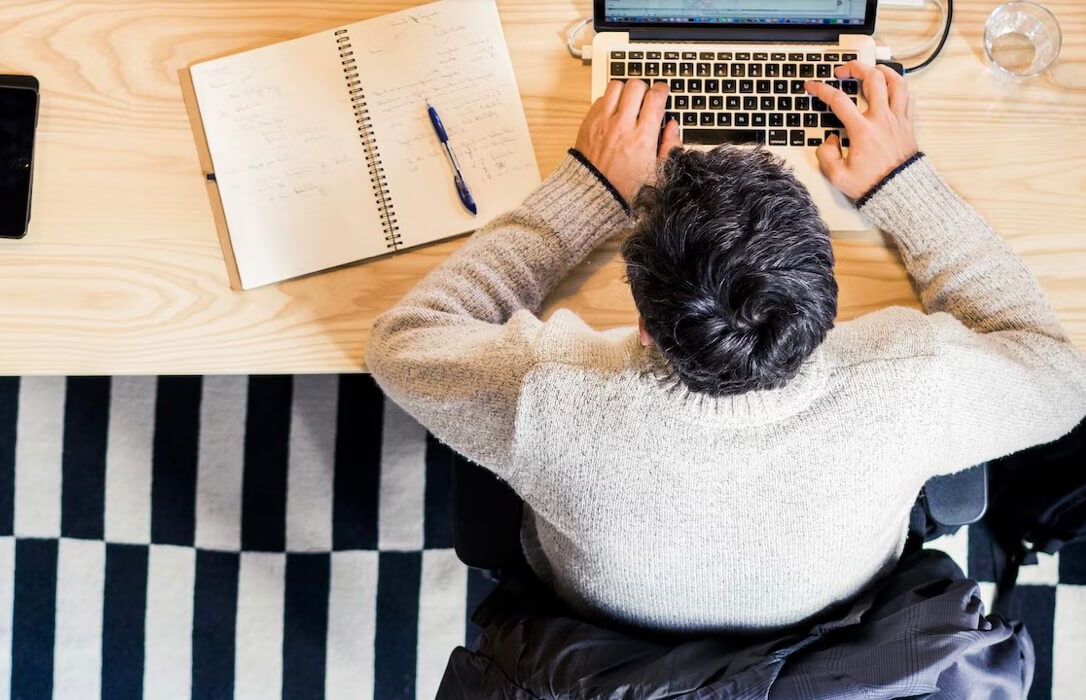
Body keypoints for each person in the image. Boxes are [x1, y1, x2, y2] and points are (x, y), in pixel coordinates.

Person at [366, 65, 1086, 633]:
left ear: (643, 327)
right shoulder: (908, 385)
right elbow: (1058, 375)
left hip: (602, 637)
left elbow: (404, 340)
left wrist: (589, 191)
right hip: (827, 633)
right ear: (826, 307)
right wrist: (902, 184)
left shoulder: (551, 393)